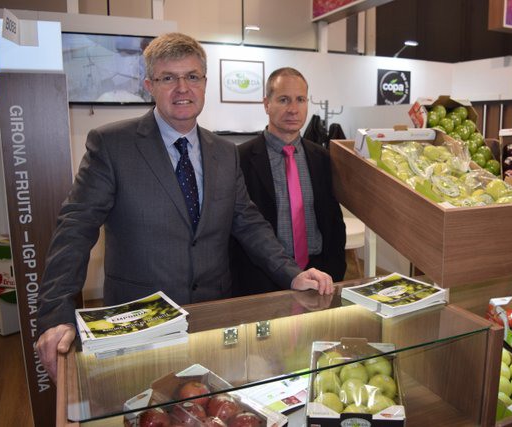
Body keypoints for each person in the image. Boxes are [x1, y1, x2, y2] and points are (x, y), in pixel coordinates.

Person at [36, 34, 333, 380]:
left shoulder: (225, 152)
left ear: (204, 83)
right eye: (168, 78)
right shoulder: (111, 145)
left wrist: (292, 272)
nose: (182, 88)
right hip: (141, 322)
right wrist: (56, 313)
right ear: (149, 85)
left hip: (213, 319)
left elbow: (248, 221)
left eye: (192, 76)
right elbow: (75, 228)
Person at [231, 67, 346, 296]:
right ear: (267, 104)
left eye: (300, 99)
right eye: (284, 100)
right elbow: (239, 227)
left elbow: (333, 222)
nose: (293, 109)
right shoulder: (239, 159)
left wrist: (333, 271)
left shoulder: (322, 158)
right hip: (262, 280)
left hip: (318, 278)